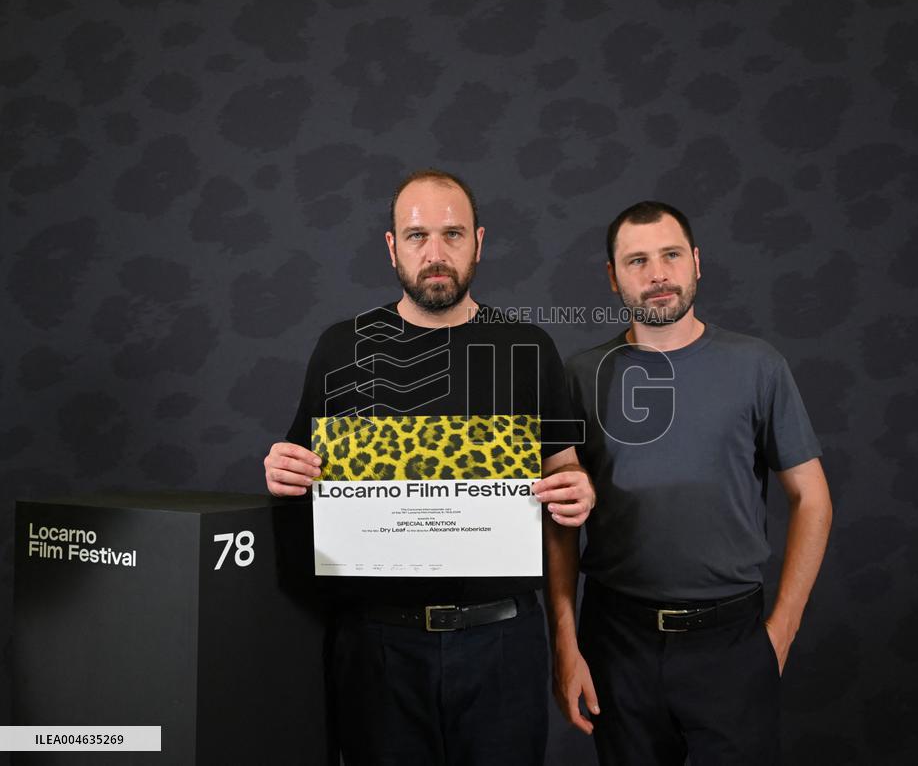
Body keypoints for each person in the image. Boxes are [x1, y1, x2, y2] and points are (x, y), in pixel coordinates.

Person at [263, 169, 595, 766]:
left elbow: (564, 501)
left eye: (453, 234)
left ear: (480, 242)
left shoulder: (527, 348)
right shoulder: (343, 347)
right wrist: (283, 471)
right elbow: (300, 475)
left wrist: (578, 494)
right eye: (417, 237)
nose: (435, 254)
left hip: (502, 643)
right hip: (376, 647)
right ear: (392, 247)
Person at [546, 201, 833, 765]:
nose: (657, 275)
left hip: (731, 640)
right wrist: (566, 643)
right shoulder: (580, 377)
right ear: (612, 276)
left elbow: (813, 499)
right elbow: (559, 524)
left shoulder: (757, 366)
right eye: (637, 261)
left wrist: (781, 631)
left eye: (671, 255)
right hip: (618, 639)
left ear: (696, 262)